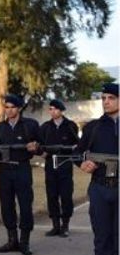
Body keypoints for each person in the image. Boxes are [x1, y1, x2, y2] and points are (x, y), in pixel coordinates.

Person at [75, 83, 118, 255]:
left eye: (111, 97)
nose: (106, 101)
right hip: (100, 188)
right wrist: (83, 164)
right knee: (102, 236)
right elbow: (77, 154)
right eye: (104, 98)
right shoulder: (94, 128)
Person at [0, 94, 40, 255]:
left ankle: (24, 242)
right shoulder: (0, 128)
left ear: (19, 108)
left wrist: (35, 147)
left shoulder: (30, 125)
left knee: (25, 205)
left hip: (22, 169)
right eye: (6, 107)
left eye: (12, 107)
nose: (9, 110)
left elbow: (41, 146)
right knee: (6, 205)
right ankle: (12, 240)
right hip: (5, 170)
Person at [38, 99, 79, 237]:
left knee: (66, 195)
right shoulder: (45, 127)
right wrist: (41, 152)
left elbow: (77, 145)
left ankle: (65, 225)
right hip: (50, 164)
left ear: (61, 110)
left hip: (65, 163)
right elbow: (39, 145)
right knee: (52, 195)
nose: (52, 111)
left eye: (55, 109)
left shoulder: (70, 126)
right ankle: (55, 225)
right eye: (50, 109)